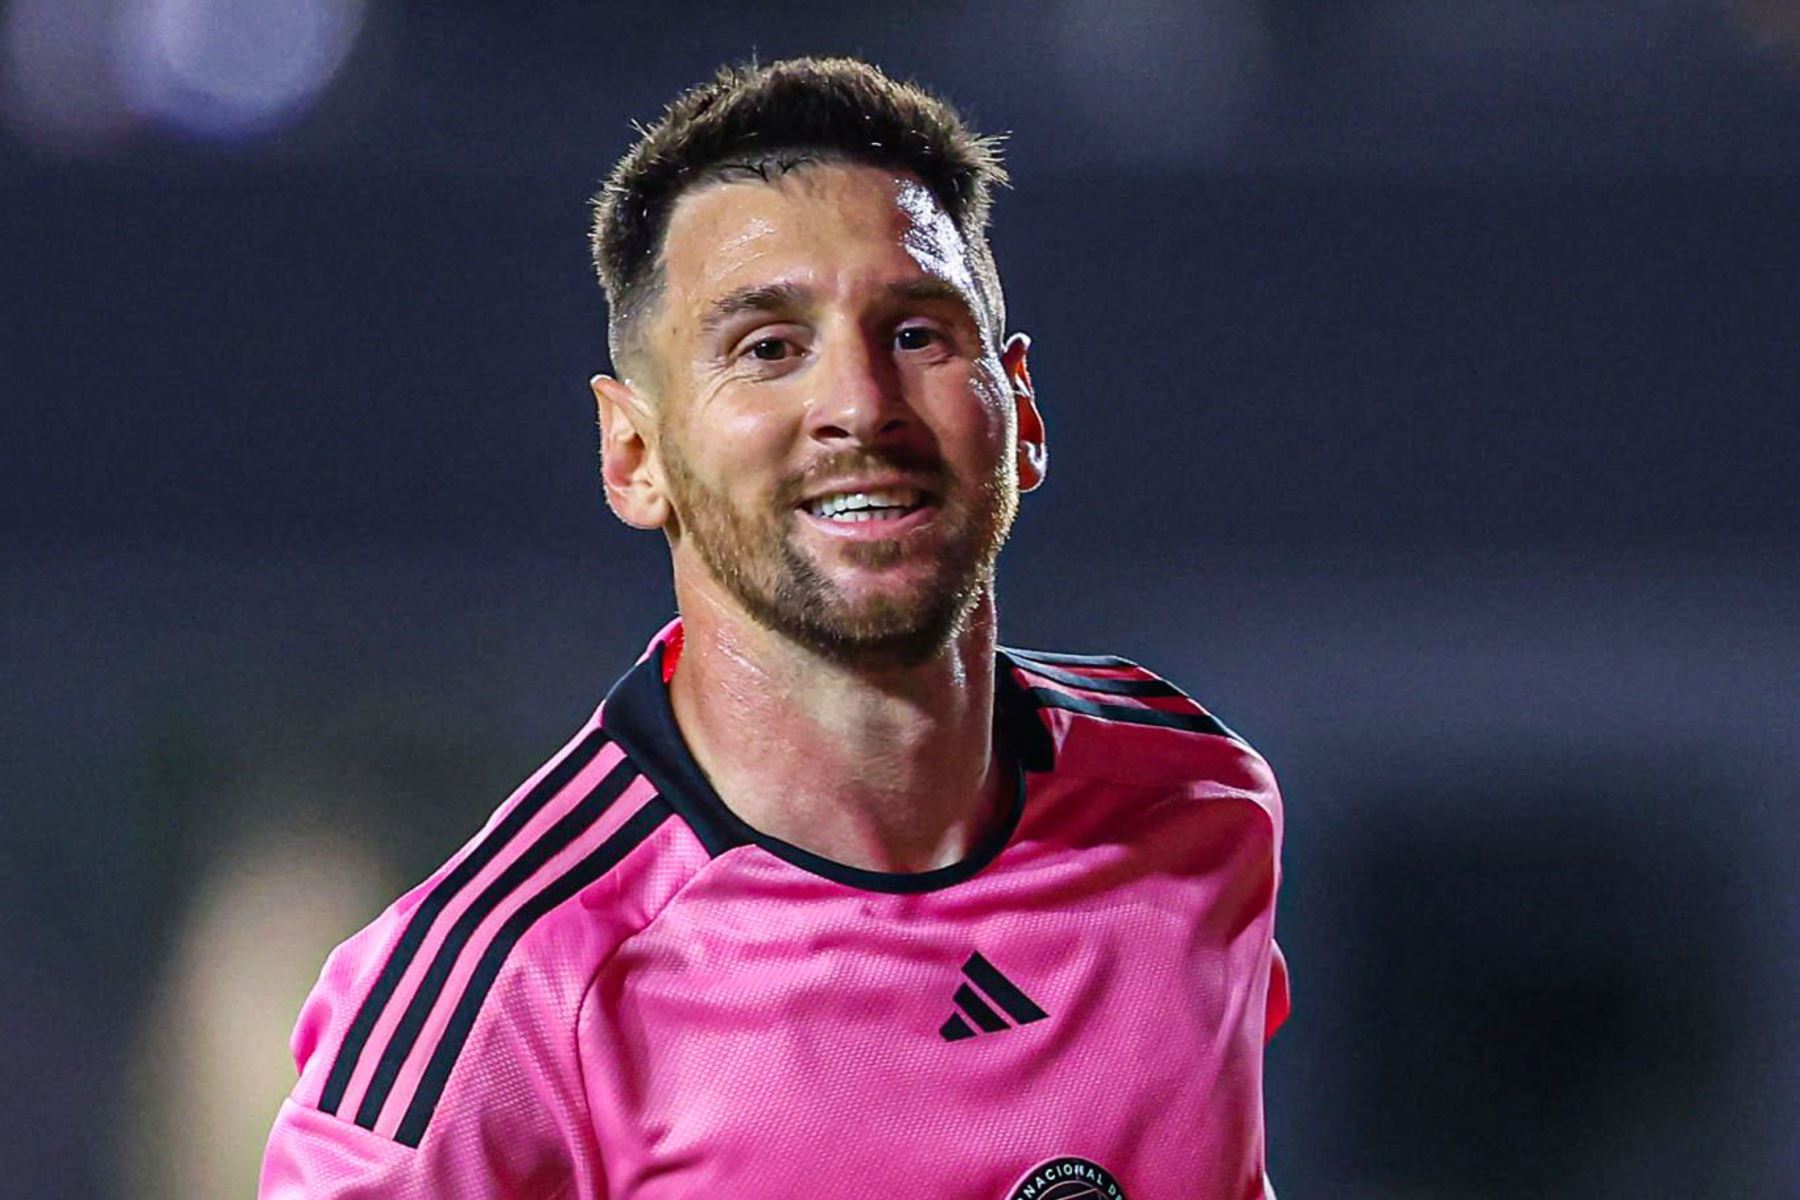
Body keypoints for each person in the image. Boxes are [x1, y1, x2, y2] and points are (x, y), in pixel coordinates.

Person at [259, 55, 1289, 1200]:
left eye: (916, 334)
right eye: (767, 349)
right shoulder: (503, 986)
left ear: (1022, 412)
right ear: (634, 454)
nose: (859, 406)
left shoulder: (1194, 800)